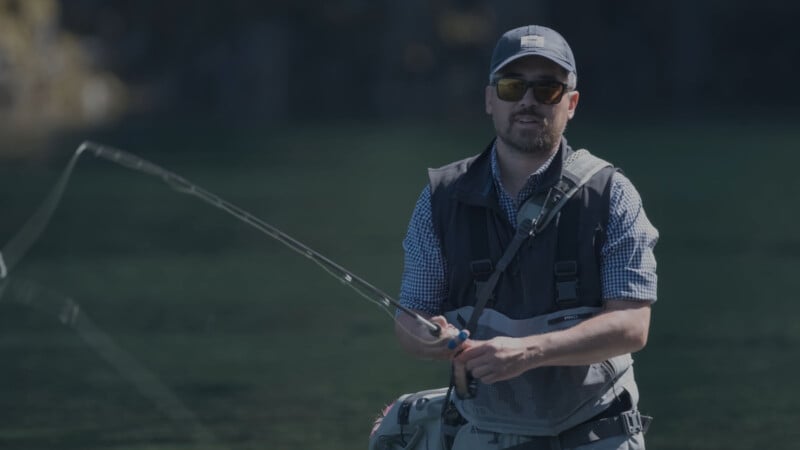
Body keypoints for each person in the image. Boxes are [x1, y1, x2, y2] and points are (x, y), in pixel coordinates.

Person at [394, 25, 659, 450]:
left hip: (595, 429)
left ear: (571, 103)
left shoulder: (613, 194)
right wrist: (431, 338)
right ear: (490, 100)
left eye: (547, 89)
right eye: (512, 86)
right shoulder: (439, 199)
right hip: (484, 430)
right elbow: (410, 321)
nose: (527, 101)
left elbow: (632, 326)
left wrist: (529, 352)